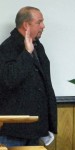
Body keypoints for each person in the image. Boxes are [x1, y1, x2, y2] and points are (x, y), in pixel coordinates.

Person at [0, 6, 57, 146]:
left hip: (34, 128)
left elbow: (44, 84)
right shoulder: (7, 48)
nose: (43, 26)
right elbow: (9, 80)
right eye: (39, 22)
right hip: (14, 131)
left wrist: (48, 123)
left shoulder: (38, 46)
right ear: (26, 25)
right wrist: (26, 53)